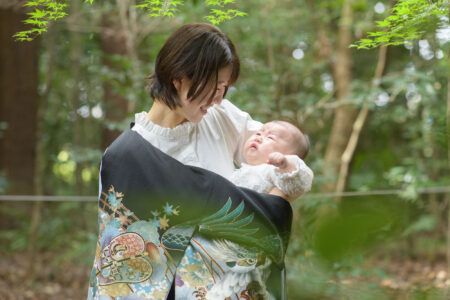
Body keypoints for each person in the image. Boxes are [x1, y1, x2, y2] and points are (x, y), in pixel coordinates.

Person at [88, 23, 296, 300]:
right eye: (215, 85)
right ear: (180, 77)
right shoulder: (125, 157)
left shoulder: (221, 118)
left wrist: (275, 202)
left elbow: (289, 162)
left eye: (225, 87)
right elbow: (121, 261)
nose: (220, 97)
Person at [230, 120, 314, 201]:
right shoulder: (240, 171)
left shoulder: (274, 171)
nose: (258, 138)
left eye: (270, 138)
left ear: (288, 156)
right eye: (258, 133)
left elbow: (298, 184)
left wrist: (286, 165)